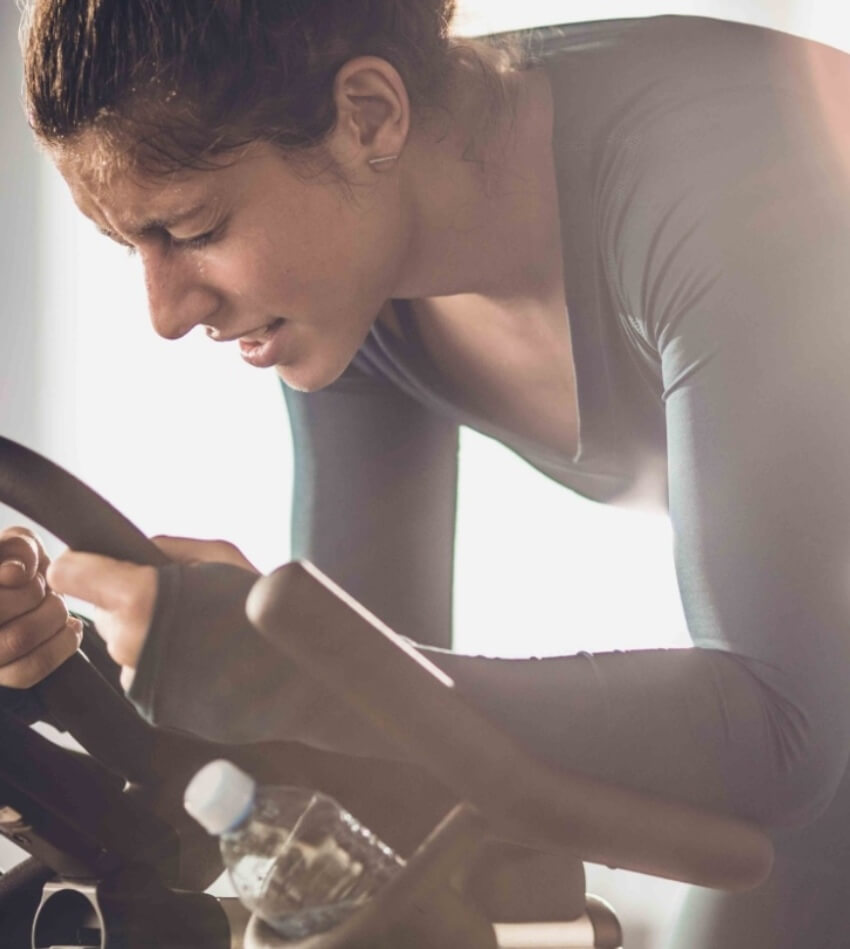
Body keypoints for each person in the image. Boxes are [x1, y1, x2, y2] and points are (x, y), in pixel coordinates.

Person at [3, 2, 850, 945]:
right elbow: (386, 735)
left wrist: (281, 672)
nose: (164, 312)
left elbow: (785, 736)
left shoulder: (721, 181)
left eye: (195, 228)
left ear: (368, 115)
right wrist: (111, 668)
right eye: (134, 246)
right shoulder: (356, 285)